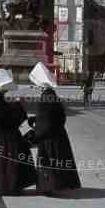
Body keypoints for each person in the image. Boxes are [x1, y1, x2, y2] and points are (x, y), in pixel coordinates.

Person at [0, 70, 36, 195]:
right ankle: (6, 186)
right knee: (5, 163)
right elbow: (2, 119)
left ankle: (0, 185)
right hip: (3, 136)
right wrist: (18, 107)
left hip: (0, 135)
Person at [28, 63, 81, 195]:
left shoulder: (46, 97)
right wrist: (36, 119)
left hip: (49, 138)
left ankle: (50, 188)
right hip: (58, 135)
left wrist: (36, 134)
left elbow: (45, 120)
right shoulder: (51, 95)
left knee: (49, 163)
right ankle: (58, 185)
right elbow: (55, 116)